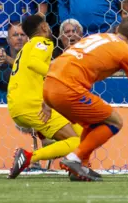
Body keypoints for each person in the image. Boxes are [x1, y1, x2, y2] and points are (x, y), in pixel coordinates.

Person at [43, 17, 128, 181]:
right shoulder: (126, 53)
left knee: (94, 123)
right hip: (68, 88)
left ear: (117, 29)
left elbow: (62, 59)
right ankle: (74, 158)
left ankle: (81, 167)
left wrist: (46, 99)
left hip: (49, 84)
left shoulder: (97, 37)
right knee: (115, 121)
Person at [8, 14, 84, 179]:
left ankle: (80, 166)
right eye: (47, 25)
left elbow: (35, 69)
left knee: (81, 131)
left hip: (18, 105)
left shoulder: (26, 48)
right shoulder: (44, 42)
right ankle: (28, 157)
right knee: (76, 141)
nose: (49, 28)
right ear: (43, 27)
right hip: (31, 105)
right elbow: (34, 64)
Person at [0, 22, 27, 92]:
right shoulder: (1, 52)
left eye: (22, 35)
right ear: (8, 39)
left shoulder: (32, 52)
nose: (19, 38)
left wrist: (8, 59)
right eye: (15, 35)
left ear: (28, 38)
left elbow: (26, 69)